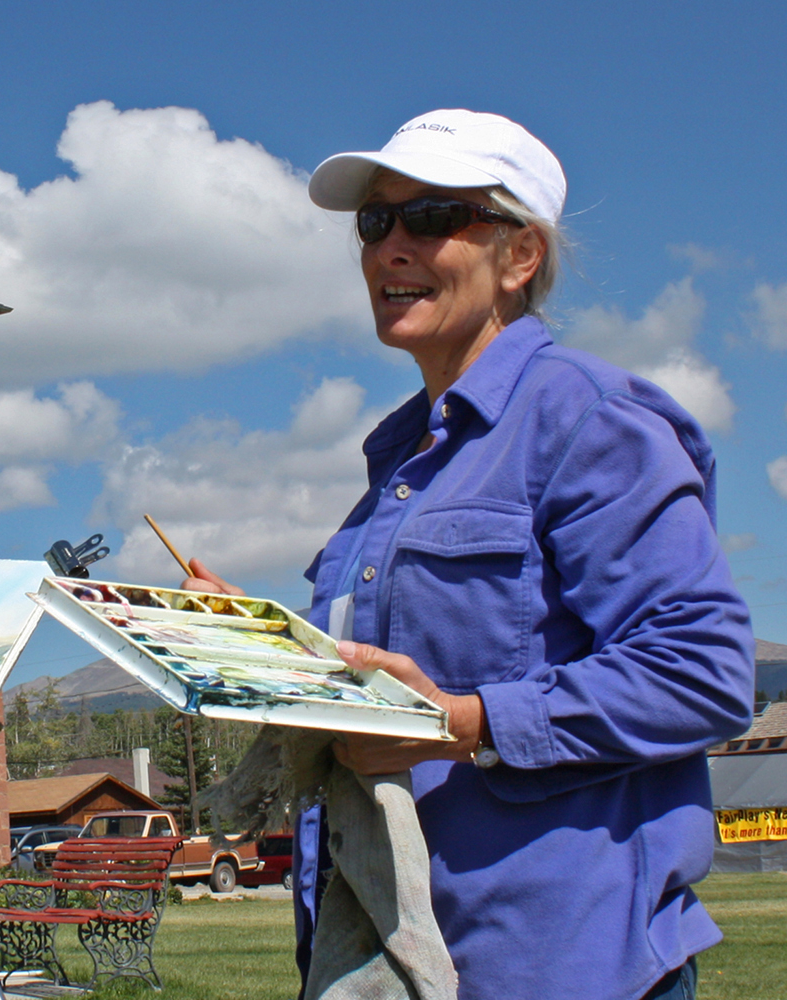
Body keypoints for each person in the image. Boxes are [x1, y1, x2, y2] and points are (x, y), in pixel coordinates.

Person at [183, 109, 754, 1000]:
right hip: (390, 953)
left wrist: (456, 726)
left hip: (558, 963)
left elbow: (703, 672)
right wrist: (256, 643)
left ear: (519, 257)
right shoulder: (399, 467)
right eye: (376, 222)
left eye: (434, 218)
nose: (390, 247)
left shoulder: (589, 420)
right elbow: (389, 683)